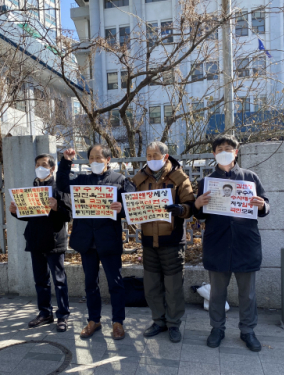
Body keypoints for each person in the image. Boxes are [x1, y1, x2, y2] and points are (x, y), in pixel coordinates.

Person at [193, 134, 270, 352]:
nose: (224, 151)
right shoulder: (206, 183)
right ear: (214, 153)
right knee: (217, 293)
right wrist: (197, 204)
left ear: (236, 152)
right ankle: (217, 328)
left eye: (228, 148)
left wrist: (262, 205)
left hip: (245, 245)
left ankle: (248, 331)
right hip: (218, 245)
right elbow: (199, 216)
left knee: (248, 294)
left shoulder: (250, 178)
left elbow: (265, 208)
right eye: (220, 149)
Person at [57, 144, 135, 340]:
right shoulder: (82, 179)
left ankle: (118, 322)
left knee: (115, 283)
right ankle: (94, 320)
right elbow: (62, 185)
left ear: (108, 160)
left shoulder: (120, 180)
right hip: (87, 241)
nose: (94, 162)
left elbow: (134, 205)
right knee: (90, 283)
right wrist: (66, 162)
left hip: (109, 240)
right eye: (91, 158)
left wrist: (122, 209)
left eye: (99, 158)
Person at [131, 141, 195, 343]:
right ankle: (158, 321)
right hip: (149, 241)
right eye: (148, 156)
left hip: (172, 240)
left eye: (156, 155)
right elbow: (130, 203)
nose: (152, 159)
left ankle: (174, 323)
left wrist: (181, 209)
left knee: (173, 286)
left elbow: (191, 206)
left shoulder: (179, 178)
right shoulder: (139, 179)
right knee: (151, 286)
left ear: (165, 157)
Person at [9, 154, 72, 332]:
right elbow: (29, 216)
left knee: (59, 280)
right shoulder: (33, 188)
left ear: (52, 168)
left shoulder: (59, 187)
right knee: (40, 280)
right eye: (37, 165)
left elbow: (68, 215)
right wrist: (16, 212)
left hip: (54, 241)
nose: (40, 168)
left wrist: (57, 207)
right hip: (35, 240)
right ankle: (45, 313)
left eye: (44, 165)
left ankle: (63, 315)